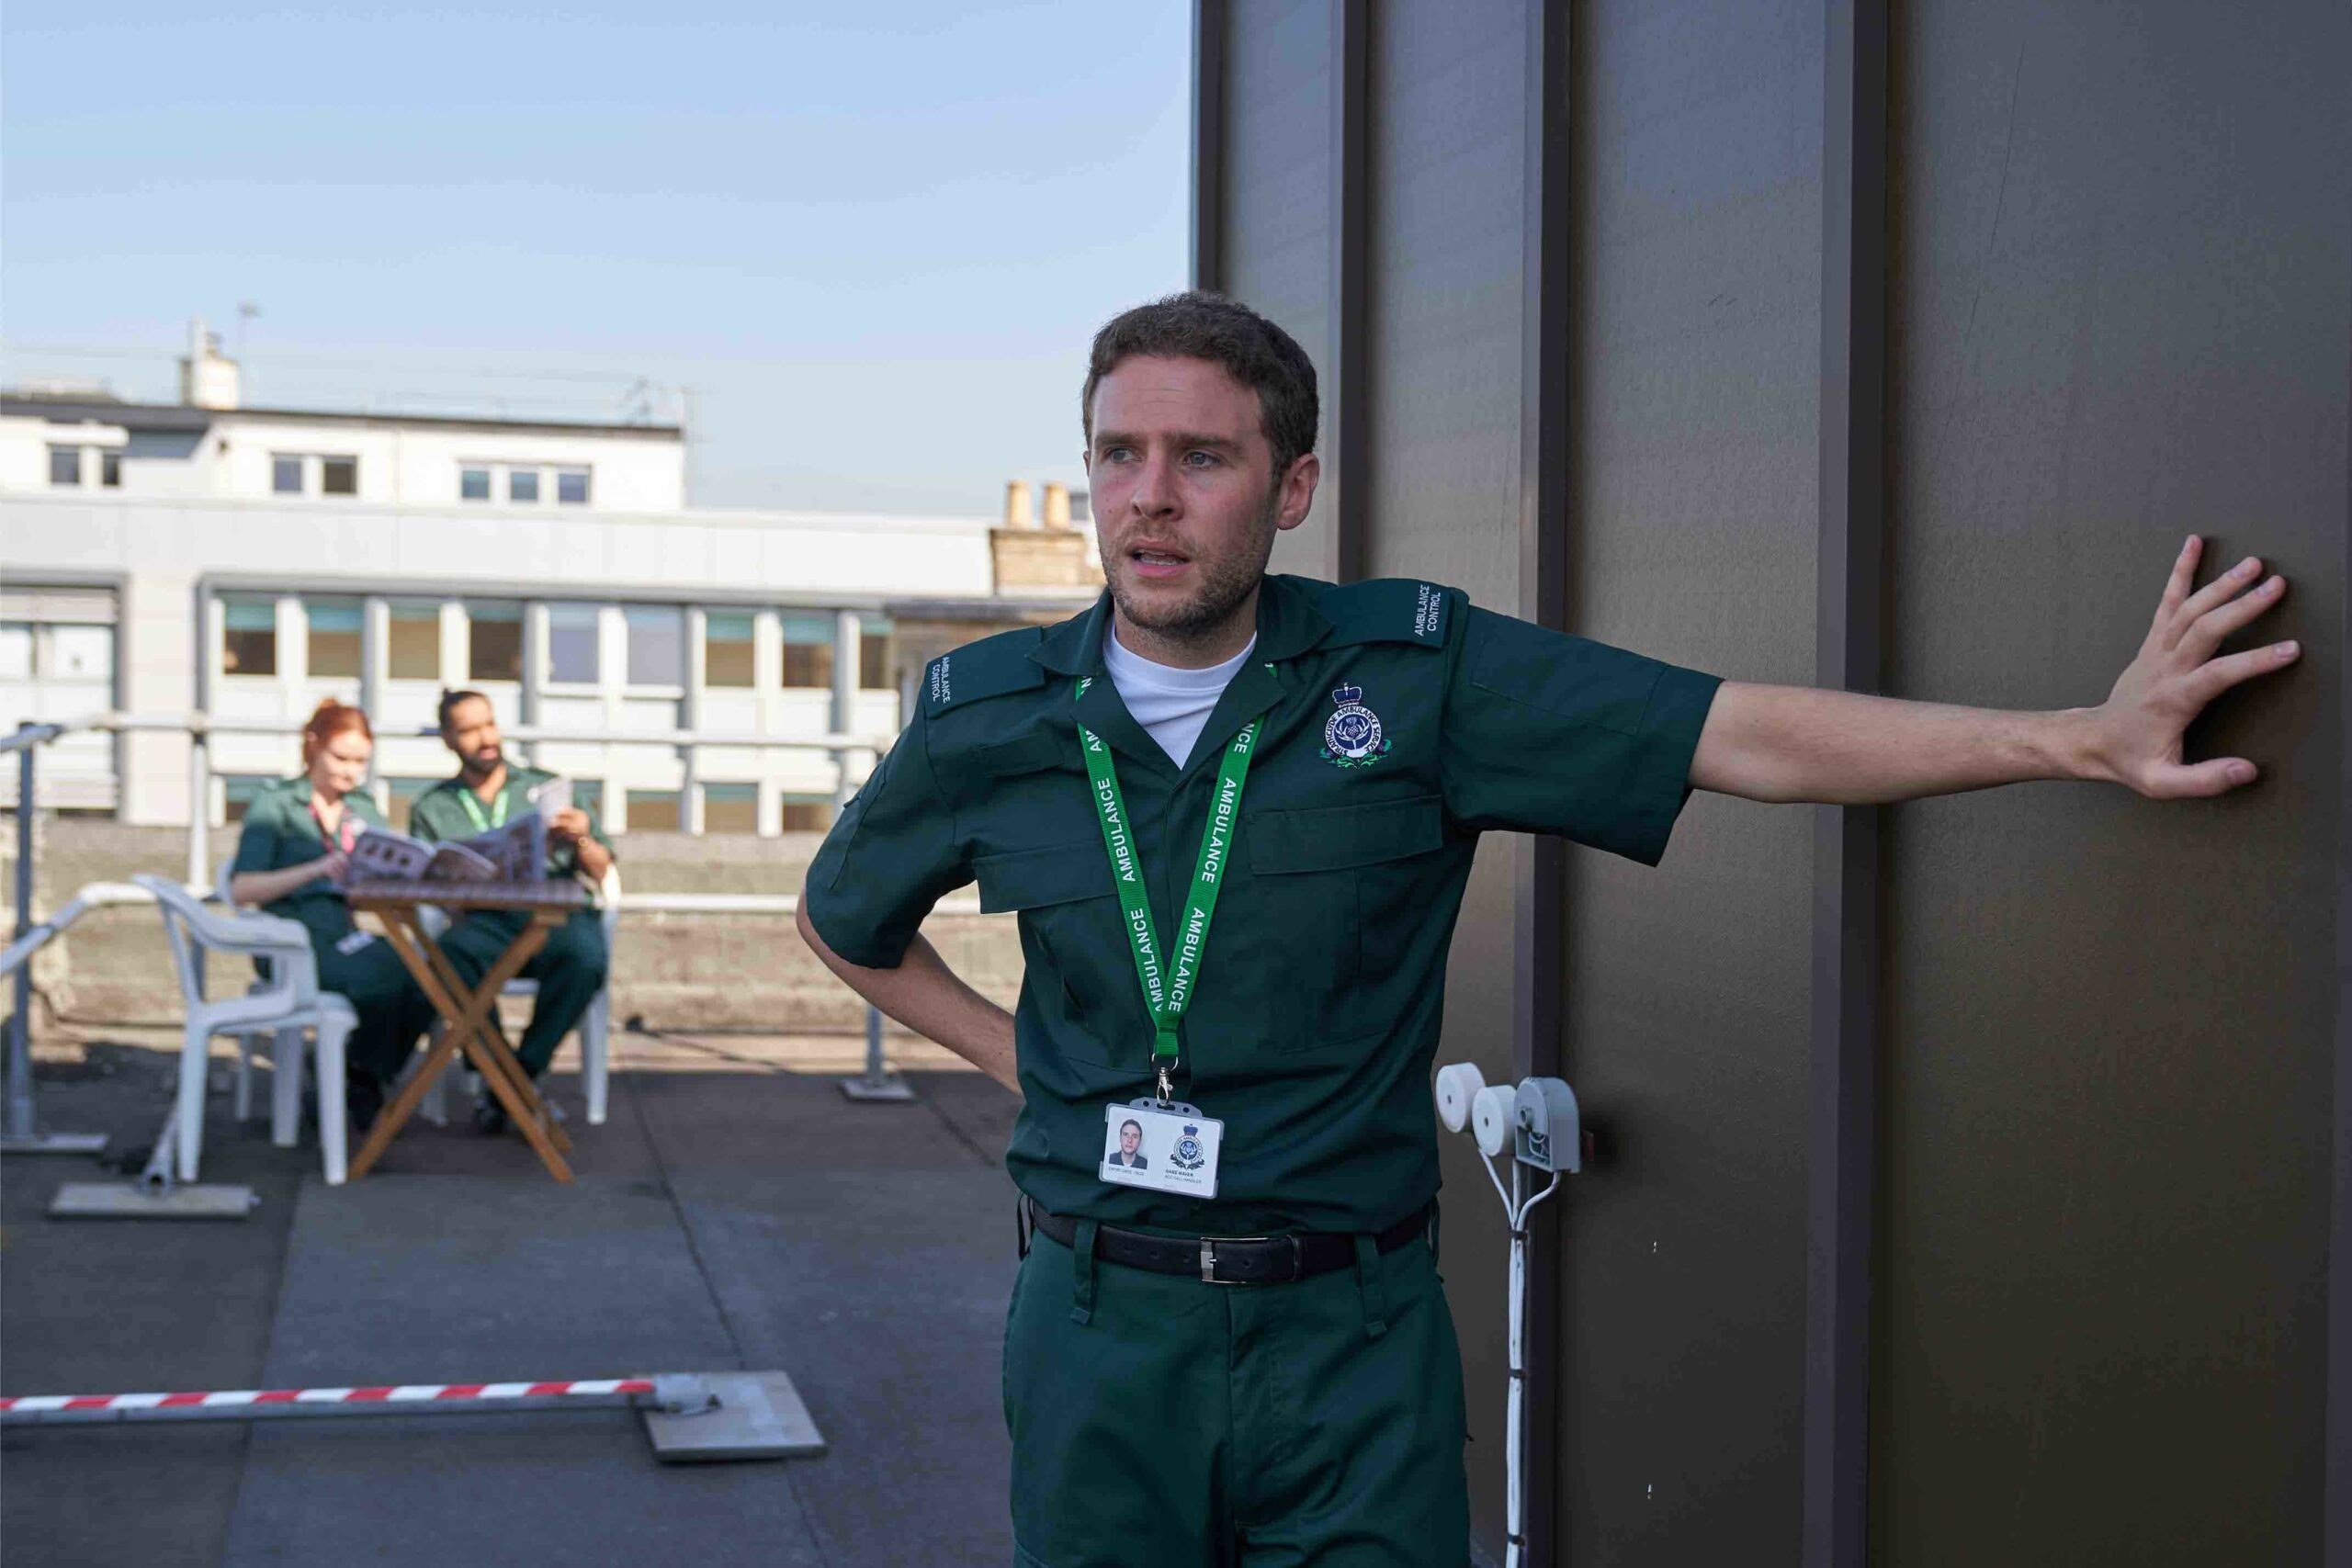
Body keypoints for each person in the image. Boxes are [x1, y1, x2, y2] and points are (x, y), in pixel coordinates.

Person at [796, 292, 2300, 1566]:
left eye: (1202, 457)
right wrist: (1031, 1067)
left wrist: (2079, 739)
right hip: (1098, 1330)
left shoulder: (1418, 677)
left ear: (1291, 486)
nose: (1151, 496)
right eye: (1120, 454)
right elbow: (847, 920)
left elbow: (1741, 735)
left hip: (1351, 1340)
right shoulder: (986, 718)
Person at [228, 699, 438, 1135]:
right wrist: (317, 869)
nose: (351, 772)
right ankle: (360, 1078)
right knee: (381, 980)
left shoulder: (362, 808)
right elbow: (241, 889)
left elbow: (373, 884)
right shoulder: (277, 804)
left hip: (344, 932)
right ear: (312, 747)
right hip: (290, 939)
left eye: (361, 761)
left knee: (433, 977)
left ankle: (357, 1071)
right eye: (341, 758)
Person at [409, 689, 614, 1134]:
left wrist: (580, 839)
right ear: (447, 739)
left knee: (586, 957)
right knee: (447, 959)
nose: (484, 737)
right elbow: (425, 885)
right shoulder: (431, 807)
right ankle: (503, 1079)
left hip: (554, 913)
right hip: (483, 920)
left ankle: (515, 1078)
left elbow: (602, 870)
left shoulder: (546, 786)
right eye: (468, 729)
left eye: (489, 723)